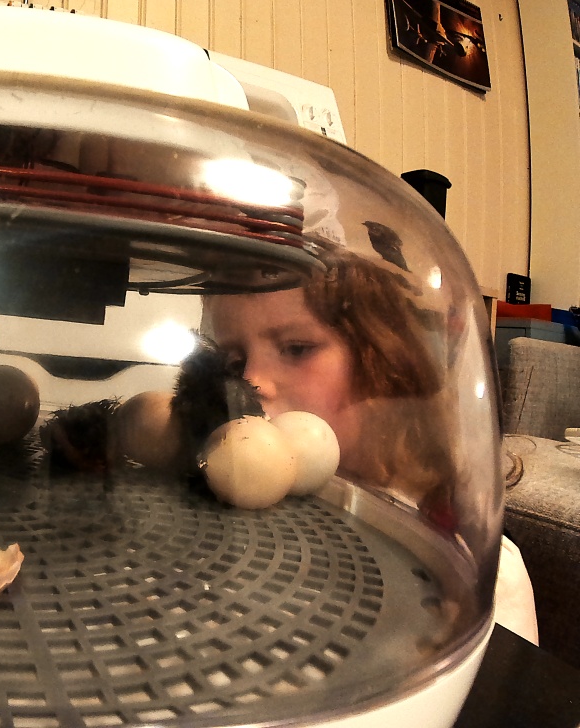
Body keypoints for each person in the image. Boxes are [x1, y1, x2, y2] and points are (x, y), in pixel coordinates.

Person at [201, 239, 539, 645]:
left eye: (297, 349)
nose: (251, 381)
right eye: (235, 362)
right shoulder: (251, 502)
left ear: (383, 362)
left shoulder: (479, 571)